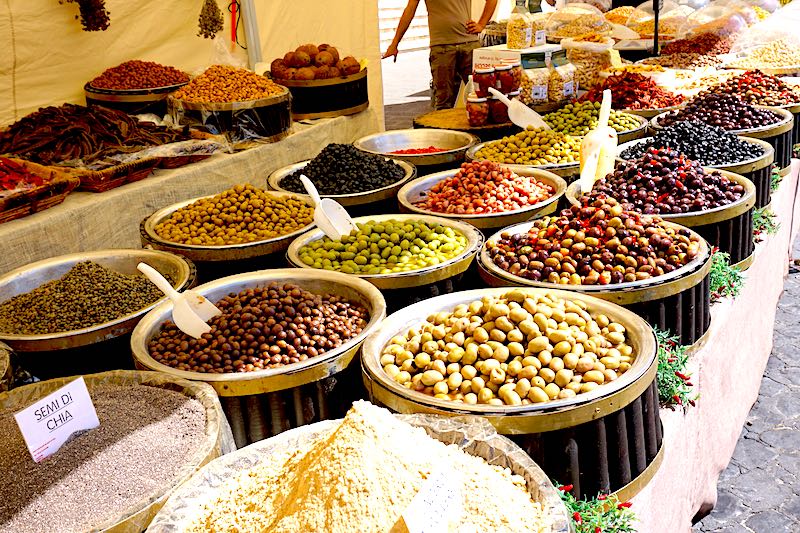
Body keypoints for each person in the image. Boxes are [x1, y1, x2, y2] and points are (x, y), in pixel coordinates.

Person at [383, 0, 498, 110]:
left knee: (481, 95)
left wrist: (481, 24)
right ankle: (444, 129)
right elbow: (410, 10)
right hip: (442, 47)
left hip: (468, 44)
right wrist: (394, 43)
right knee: (443, 101)